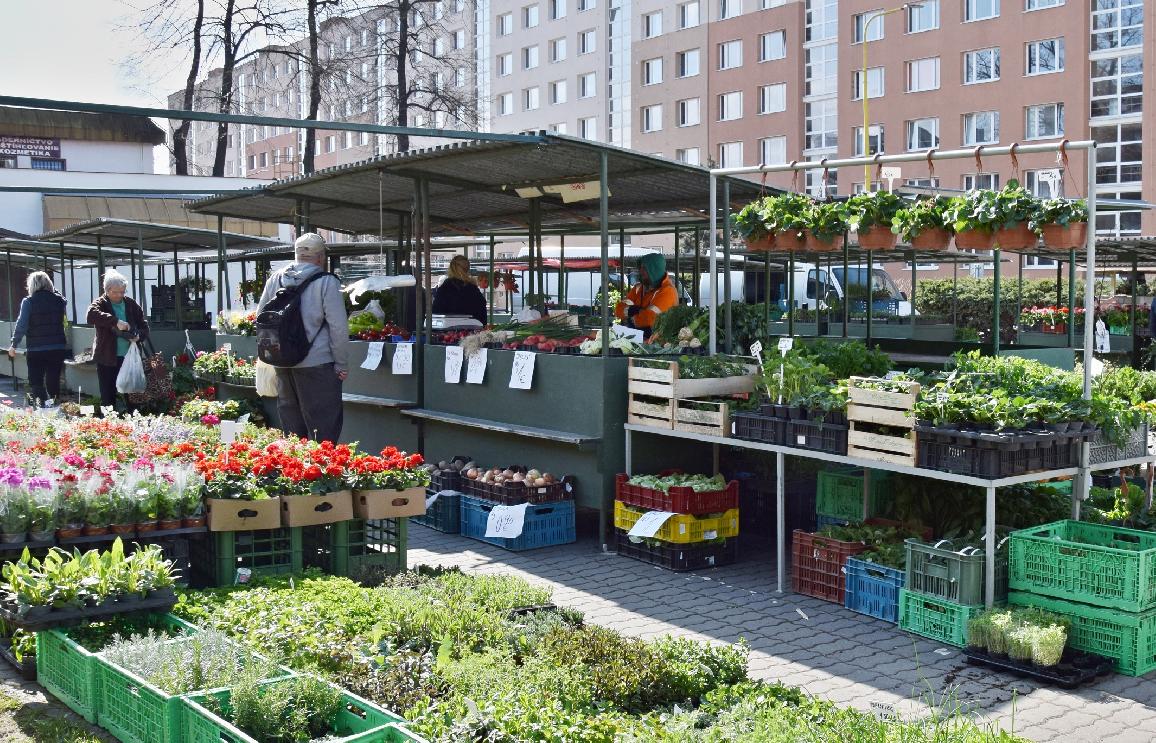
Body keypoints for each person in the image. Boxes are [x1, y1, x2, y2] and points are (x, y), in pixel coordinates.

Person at [257, 232, 349, 443]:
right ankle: (322, 473)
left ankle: (295, 471)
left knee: (293, 431)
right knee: (324, 429)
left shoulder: (276, 279)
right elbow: (338, 327)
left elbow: (260, 316)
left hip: (283, 362)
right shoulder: (327, 282)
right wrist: (341, 364)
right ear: (320, 257)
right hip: (318, 364)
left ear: (296, 254)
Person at [87, 270, 150, 410]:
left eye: (122, 292)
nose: (119, 295)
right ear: (107, 290)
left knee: (132, 396)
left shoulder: (131, 304)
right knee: (108, 395)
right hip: (107, 357)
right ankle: (109, 426)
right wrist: (115, 321)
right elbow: (91, 316)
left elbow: (144, 326)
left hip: (129, 357)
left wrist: (139, 335)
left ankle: (135, 424)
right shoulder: (100, 303)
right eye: (115, 292)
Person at [7, 271, 69, 406]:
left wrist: (14, 344)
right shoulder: (59, 300)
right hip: (57, 347)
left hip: (36, 348)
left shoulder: (29, 301)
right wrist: (52, 289)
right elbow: (62, 298)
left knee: (36, 381)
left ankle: (42, 408)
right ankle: (54, 405)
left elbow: (21, 325)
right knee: (53, 379)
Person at [614, 252, 678, 339]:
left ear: (654, 270)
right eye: (641, 268)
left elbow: (650, 319)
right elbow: (618, 310)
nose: (641, 271)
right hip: (637, 337)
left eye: (644, 268)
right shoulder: (638, 288)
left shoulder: (667, 291)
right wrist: (632, 311)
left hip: (656, 343)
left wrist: (630, 316)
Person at [432, 255, 487, 324]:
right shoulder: (474, 289)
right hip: (474, 331)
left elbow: (435, 314)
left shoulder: (445, 288)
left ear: (451, 268)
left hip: (450, 332)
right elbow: (482, 315)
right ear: (468, 269)